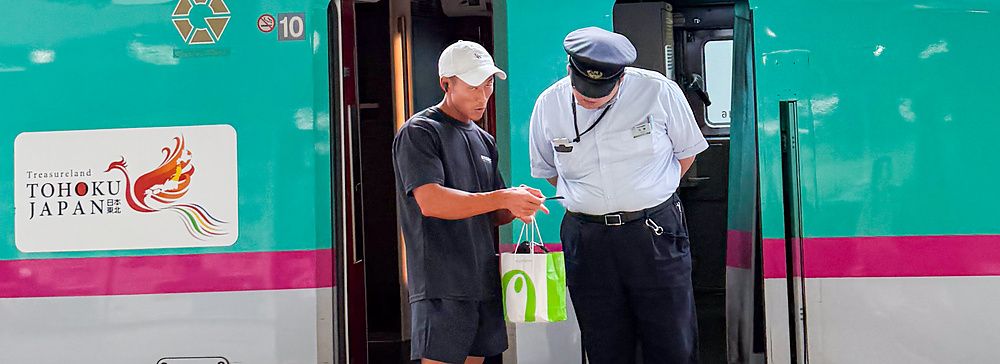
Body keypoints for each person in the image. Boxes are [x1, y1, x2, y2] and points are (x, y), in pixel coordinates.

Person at [528, 27, 709, 364]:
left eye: (601, 93)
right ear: (570, 71)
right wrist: (591, 200)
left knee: (672, 343)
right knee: (604, 344)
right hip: (588, 238)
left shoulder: (658, 91)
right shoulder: (548, 105)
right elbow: (548, 170)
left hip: (653, 232)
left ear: (621, 77)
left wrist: (645, 194)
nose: (591, 100)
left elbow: (687, 153)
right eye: (584, 93)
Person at [393, 40, 549, 364]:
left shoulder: (484, 139)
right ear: (445, 84)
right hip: (441, 285)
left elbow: (494, 212)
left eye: (489, 84)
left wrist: (518, 202)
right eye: (474, 85)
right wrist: (502, 197)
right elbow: (431, 201)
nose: (483, 95)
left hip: (483, 281)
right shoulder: (419, 132)